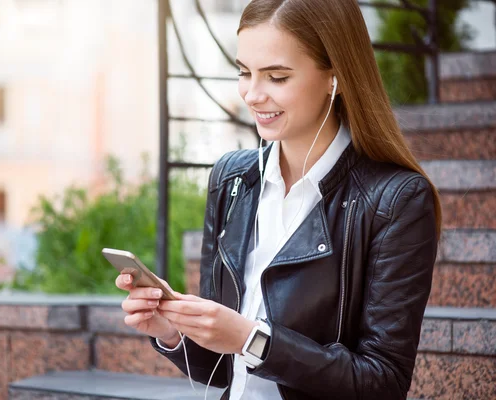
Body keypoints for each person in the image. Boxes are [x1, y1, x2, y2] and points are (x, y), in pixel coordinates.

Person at [115, 0, 441, 399]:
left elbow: (383, 382)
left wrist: (252, 339)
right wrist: (170, 329)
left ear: (333, 77)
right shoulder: (232, 179)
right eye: (243, 72)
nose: (252, 95)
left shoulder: (396, 201)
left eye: (277, 77)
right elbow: (220, 371)